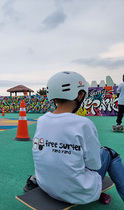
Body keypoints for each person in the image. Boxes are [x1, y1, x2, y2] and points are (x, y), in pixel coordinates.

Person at [23, 71, 124, 204]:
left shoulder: (42, 120)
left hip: (46, 185)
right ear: (80, 95)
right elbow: (94, 164)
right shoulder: (84, 124)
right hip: (77, 193)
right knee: (108, 153)